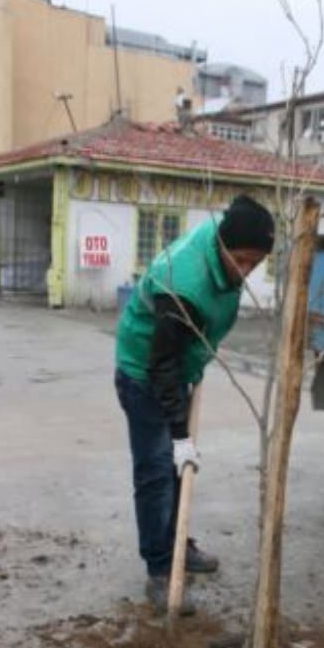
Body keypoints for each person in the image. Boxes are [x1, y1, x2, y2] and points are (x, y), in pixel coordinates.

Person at [115, 194, 275, 612]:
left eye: (254, 264)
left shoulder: (225, 235)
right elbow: (161, 365)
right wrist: (181, 433)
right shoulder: (185, 284)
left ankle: (177, 543)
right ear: (222, 244)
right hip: (144, 373)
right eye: (240, 260)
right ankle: (161, 570)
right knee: (156, 472)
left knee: (174, 470)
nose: (245, 271)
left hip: (175, 367)